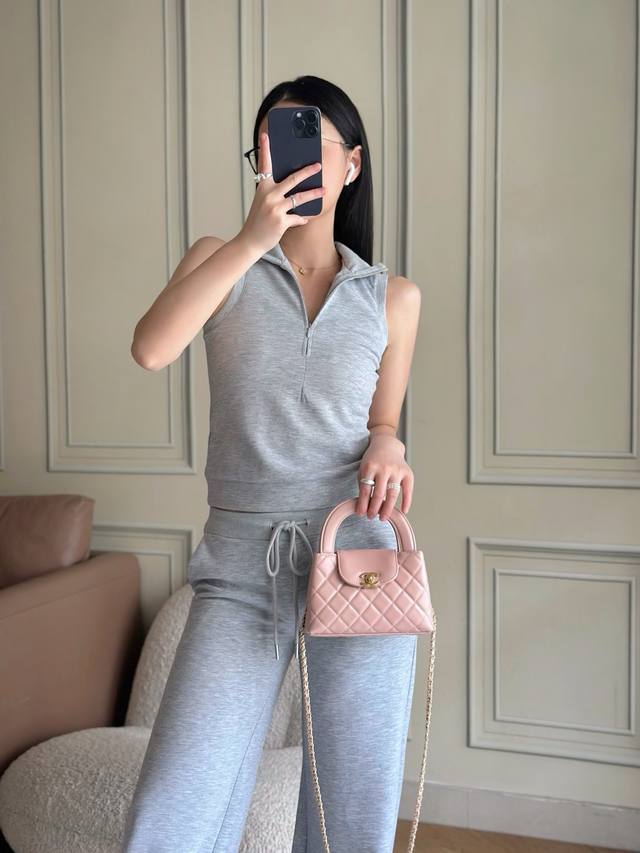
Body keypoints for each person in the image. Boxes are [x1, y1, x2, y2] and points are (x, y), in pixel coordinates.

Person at [122, 74, 422, 853]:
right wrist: (253, 241)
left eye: (311, 141)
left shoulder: (391, 296)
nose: (288, 160)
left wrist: (389, 442)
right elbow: (151, 348)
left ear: (352, 163)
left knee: (352, 817)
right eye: (271, 145)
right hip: (239, 565)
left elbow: (383, 421)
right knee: (174, 810)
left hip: (357, 554)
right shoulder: (220, 260)